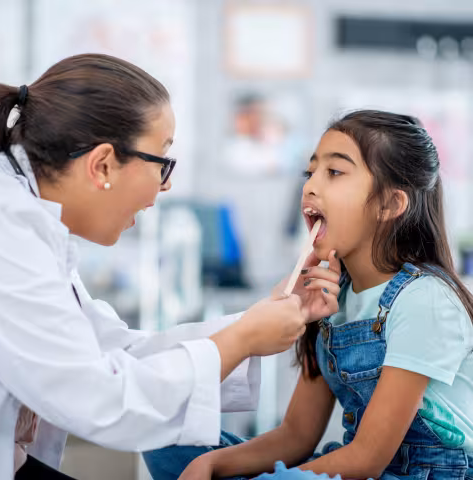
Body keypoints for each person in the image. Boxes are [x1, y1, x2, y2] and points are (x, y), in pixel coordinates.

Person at [0, 54, 336, 479]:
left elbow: (112, 352)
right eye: (162, 161)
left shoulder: (24, 222)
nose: (167, 183)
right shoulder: (5, 232)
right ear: (102, 164)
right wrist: (243, 338)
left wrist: (253, 324)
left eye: (337, 172)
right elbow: (100, 396)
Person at [144, 110, 473, 480]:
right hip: (359, 468)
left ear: (390, 205)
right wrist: (208, 463)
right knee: (166, 436)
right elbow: (296, 436)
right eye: (310, 172)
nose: (310, 186)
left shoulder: (424, 300)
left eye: (334, 172)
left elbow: (367, 458)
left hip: (416, 473)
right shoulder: (330, 299)